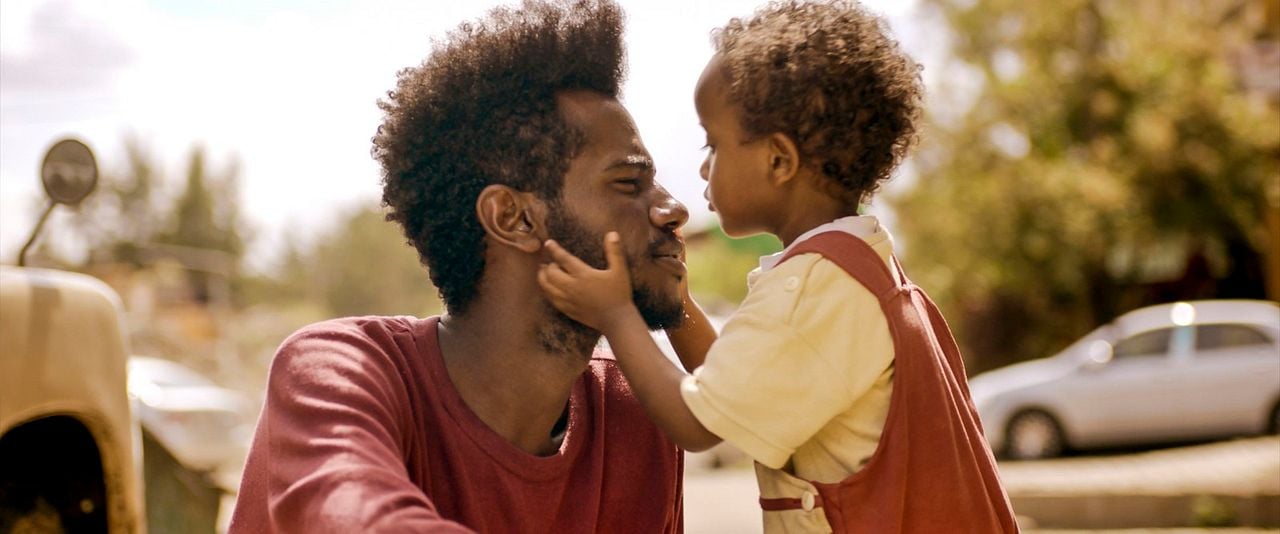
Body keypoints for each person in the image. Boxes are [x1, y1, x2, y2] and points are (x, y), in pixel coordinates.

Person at [538, 1, 1020, 532]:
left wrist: (616, 315)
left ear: (778, 161)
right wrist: (677, 308)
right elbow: (732, 387)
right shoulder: (857, 272)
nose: (701, 165)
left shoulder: (810, 288)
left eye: (713, 143)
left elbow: (698, 424)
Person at [228, 1, 693, 532]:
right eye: (630, 184)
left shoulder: (640, 416)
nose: (674, 208)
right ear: (513, 218)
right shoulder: (337, 373)